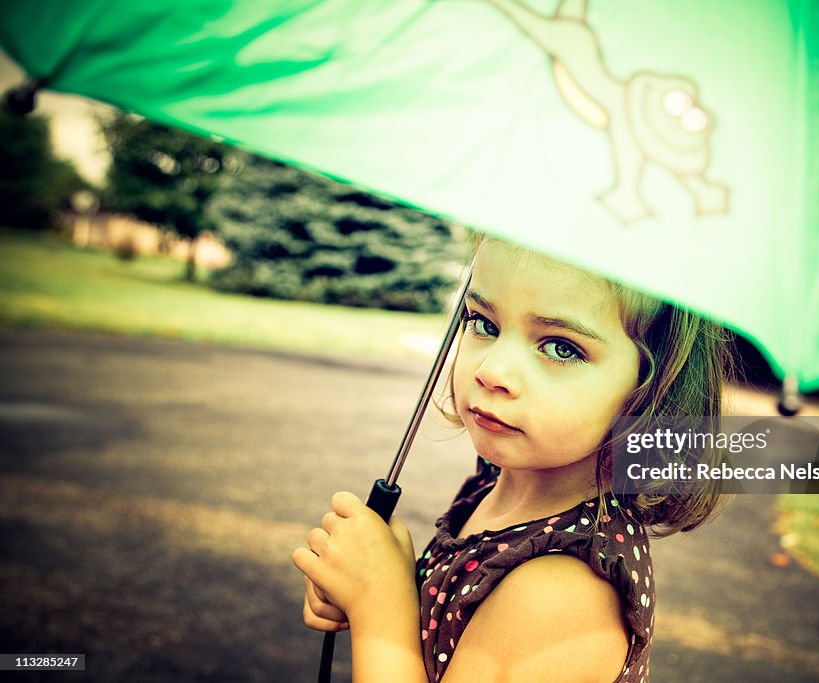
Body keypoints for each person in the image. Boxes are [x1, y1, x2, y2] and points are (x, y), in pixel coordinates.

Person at [293, 235, 731, 682]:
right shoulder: (501, 484)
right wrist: (379, 578)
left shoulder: (561, 593)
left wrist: (377, 606)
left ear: (652, 392)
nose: (492, 371)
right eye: (483, 323)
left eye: (561, 347)